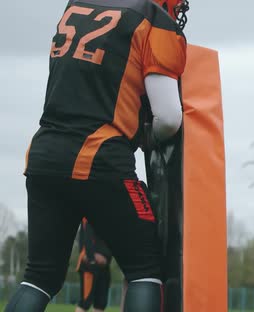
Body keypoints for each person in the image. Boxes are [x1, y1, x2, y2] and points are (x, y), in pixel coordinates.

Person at [4, 0, 189, 311]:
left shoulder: (76, 6)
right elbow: (169, 118)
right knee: (145, 265)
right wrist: (148, 136)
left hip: (43, 156)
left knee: (40, 277)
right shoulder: (150, 18)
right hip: (99, 156)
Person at [75, 218, 112, 312]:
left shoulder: (110, 215)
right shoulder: (89, 213)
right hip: (90, 266)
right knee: (85, 302)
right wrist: (92, 257)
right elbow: (86, 236)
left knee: (101, 303)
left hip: (105, 266)